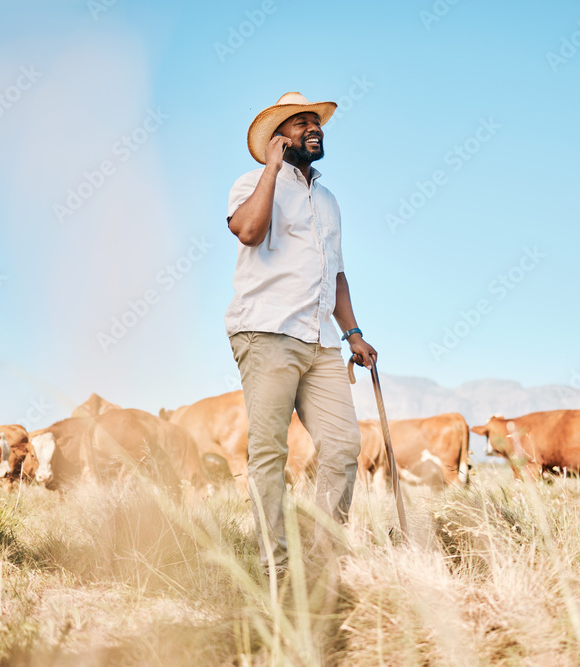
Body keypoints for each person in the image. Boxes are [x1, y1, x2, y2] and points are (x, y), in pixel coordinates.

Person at [226, 92, 376, 578]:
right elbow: (248, 232)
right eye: (301, 123)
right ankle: (278, 564)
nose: (315, 128)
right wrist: (271, 169)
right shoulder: (251, 182)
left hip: (321, 343)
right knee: (269, 450)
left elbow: (336, 275)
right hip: (266, 332)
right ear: (278, 136)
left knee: (343, 447)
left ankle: (321, 559)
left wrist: (352, 332)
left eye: (317, 122)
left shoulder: (329, 202)